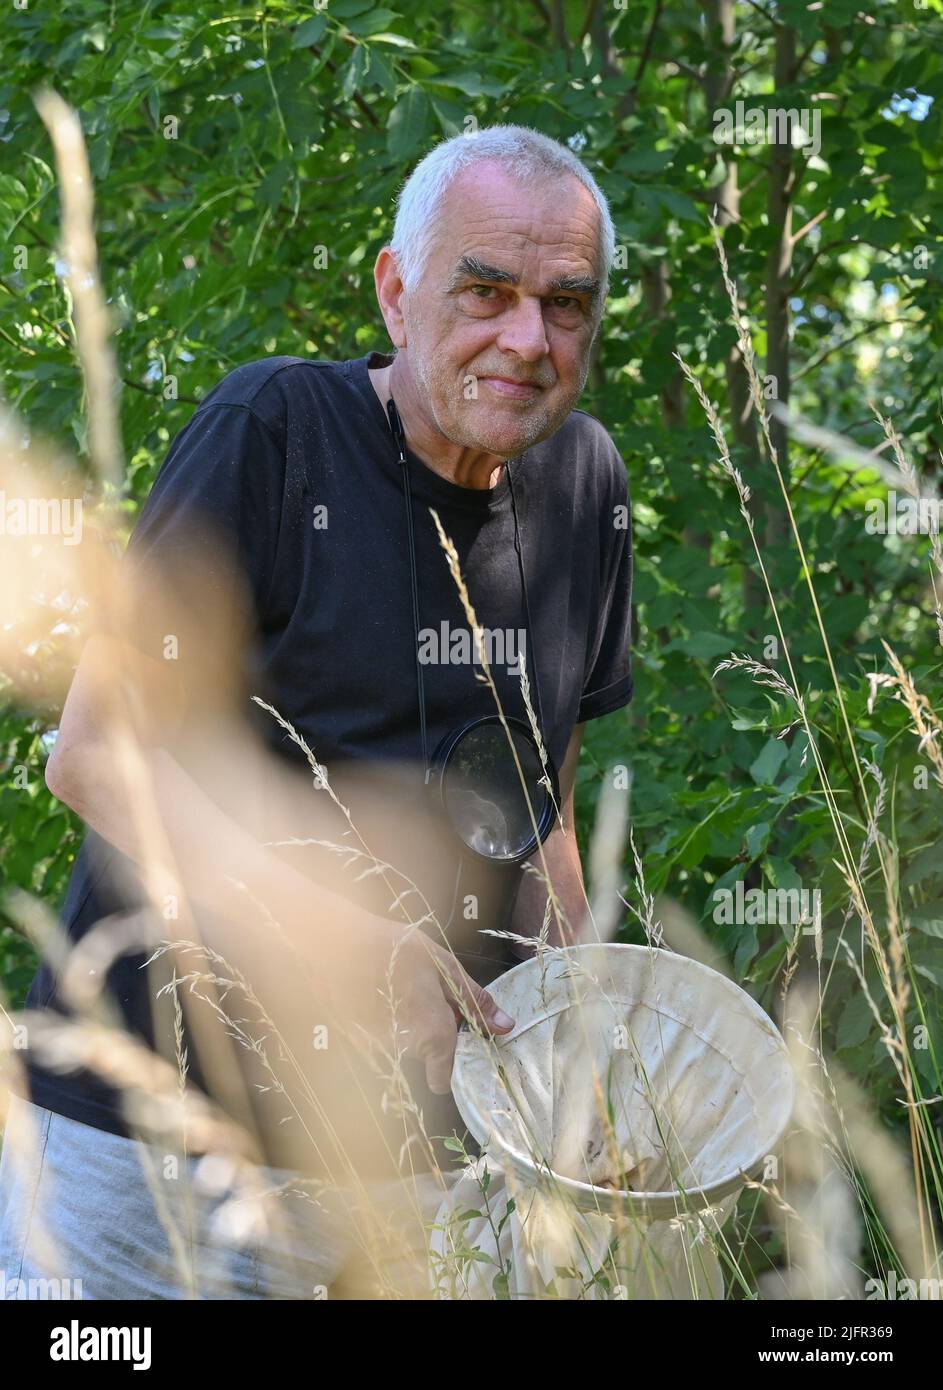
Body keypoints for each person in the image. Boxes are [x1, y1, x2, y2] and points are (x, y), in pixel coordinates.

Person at [0, 124, 634, 1299]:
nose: (525, 339)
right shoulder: (274, 433)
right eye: (483, 291)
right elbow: (93, 755)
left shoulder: (585, 487)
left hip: (416, 1175)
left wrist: (585, 1054)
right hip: (152, 1155)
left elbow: (539, 812)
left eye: (565, 304)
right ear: (396, 292)